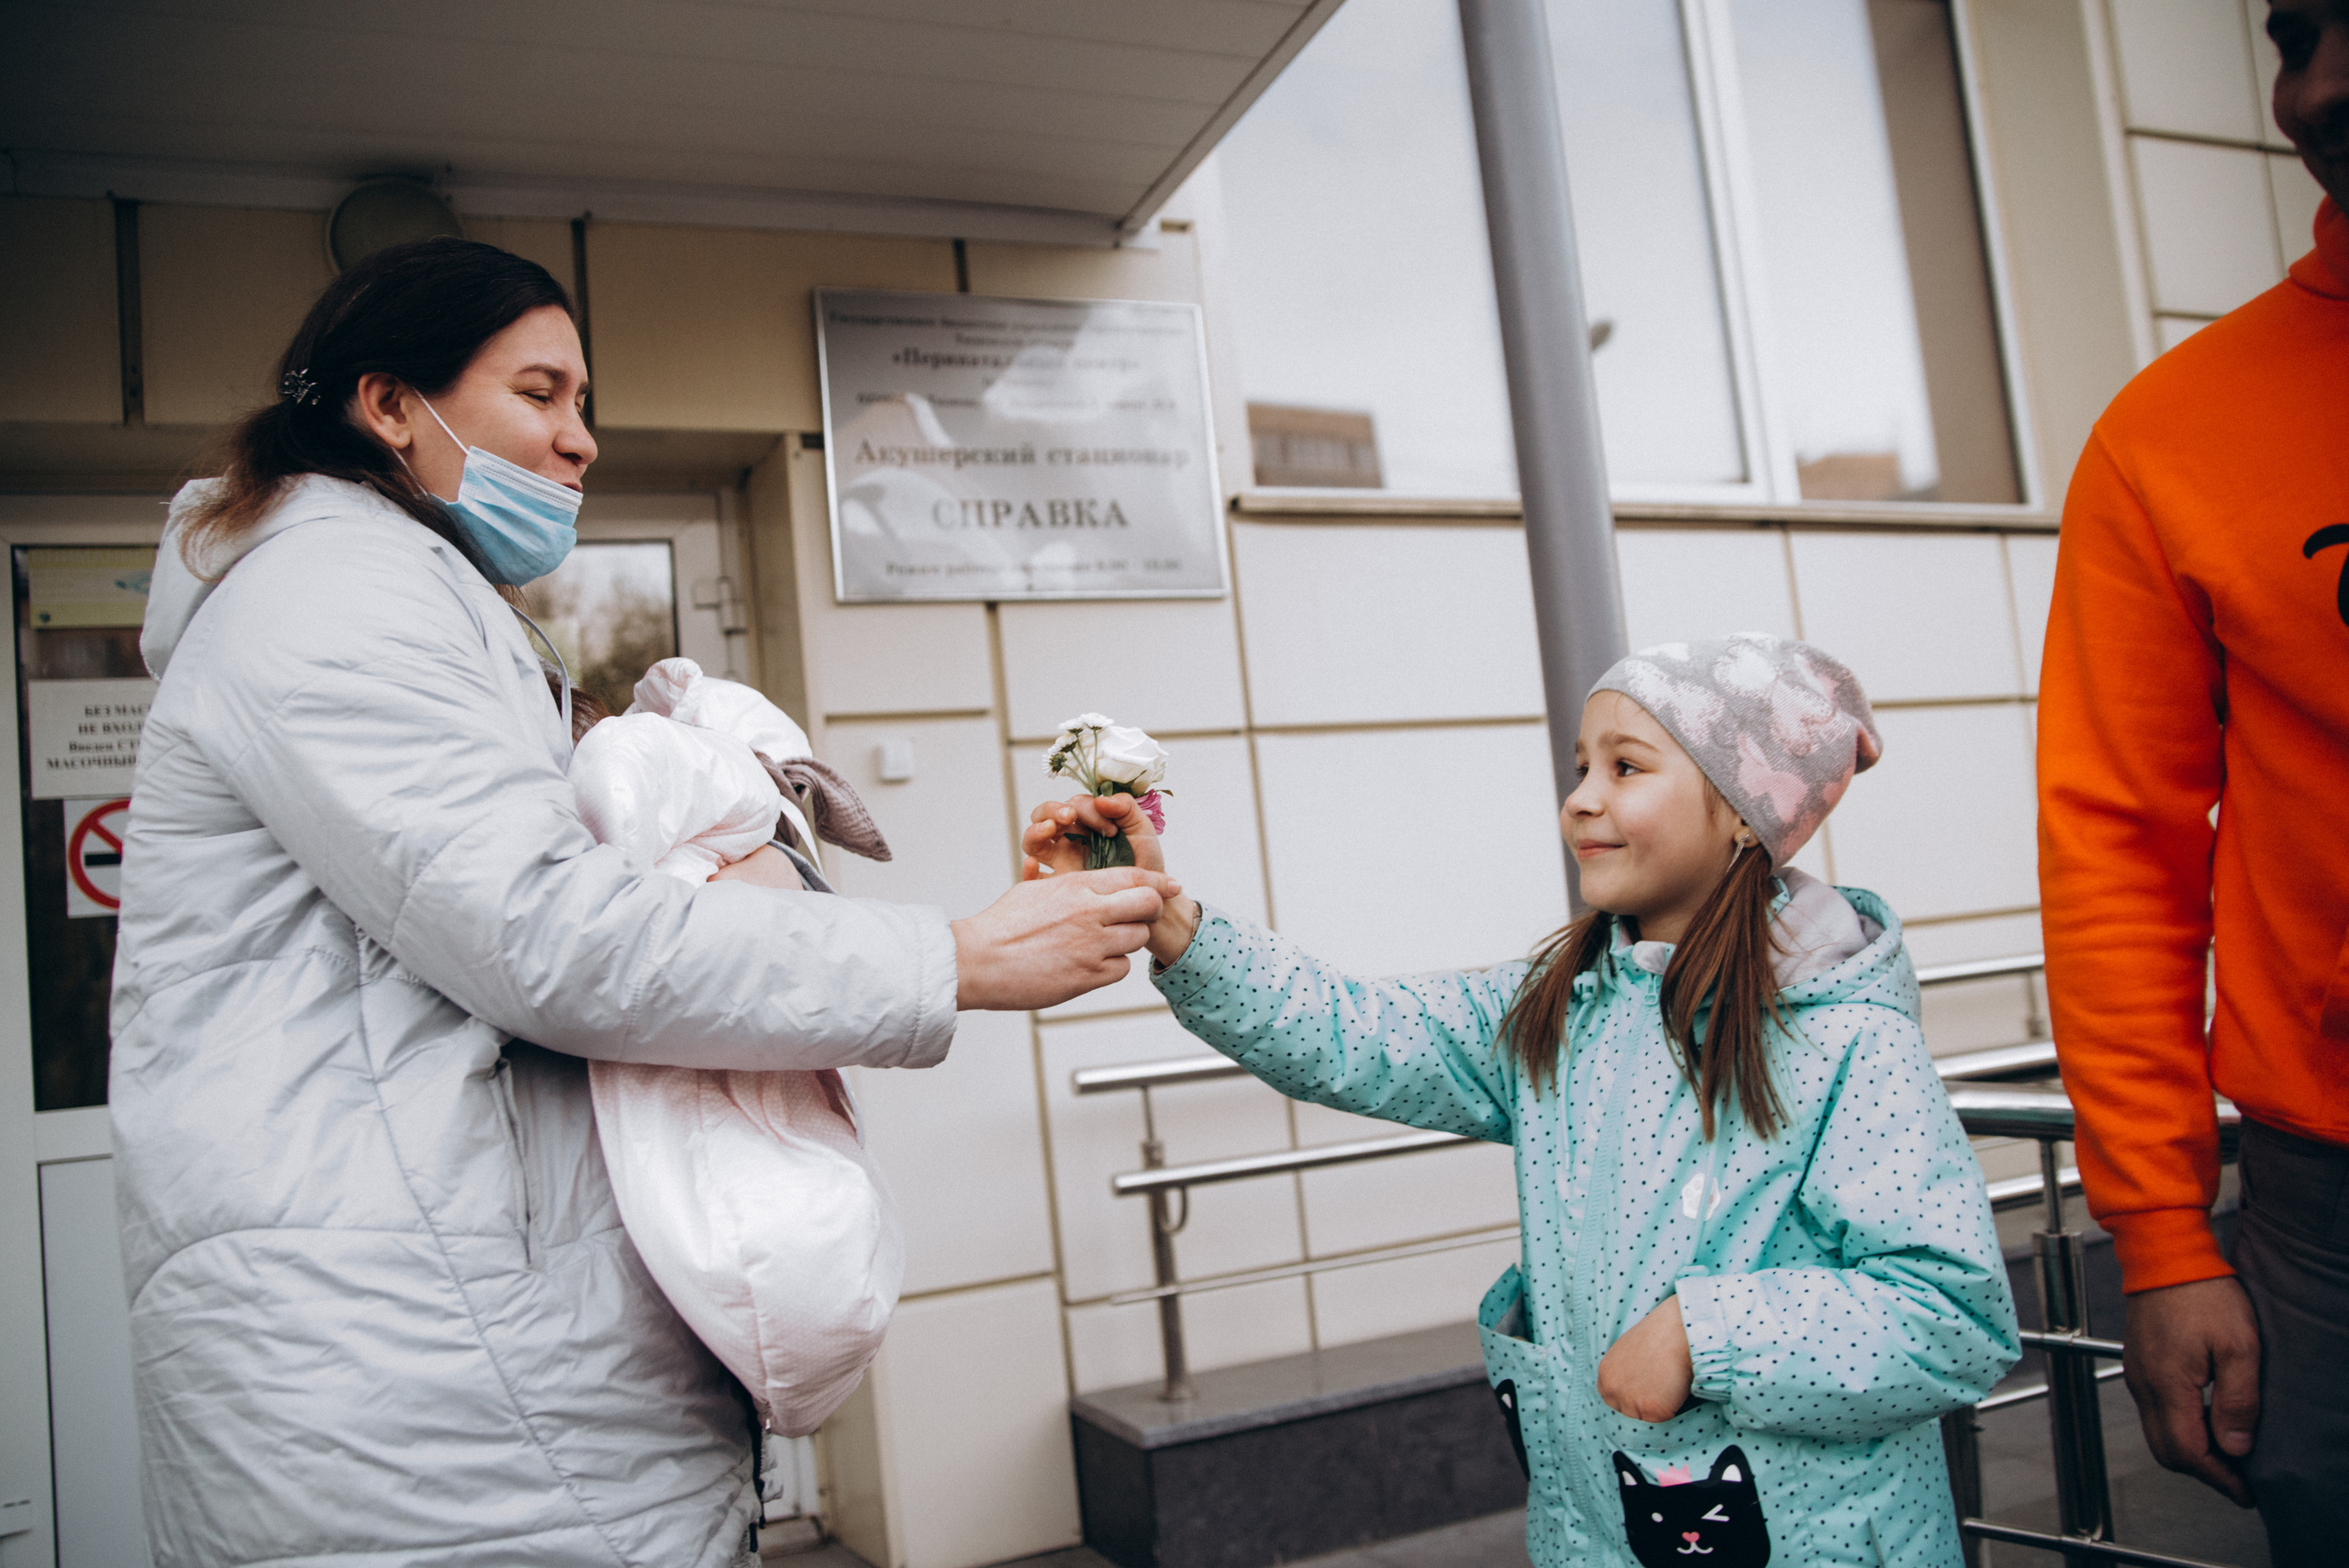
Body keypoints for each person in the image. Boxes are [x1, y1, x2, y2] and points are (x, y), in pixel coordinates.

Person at [112, 237, 1177, 1568]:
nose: (582, 441)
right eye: (542, 394)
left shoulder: (415, 596)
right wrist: (947, 959)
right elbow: (548, 934)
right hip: (432, 1405)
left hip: (471, 1384)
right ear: (388, 403)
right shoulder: (336, 594)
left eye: (585, 403)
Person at [1030, 636, 2020, 1567]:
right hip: (1593, 1531)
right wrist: (1173, 923)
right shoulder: (1562, 1009)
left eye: (1626, 768)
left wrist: (1704, 1333)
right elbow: (1348, 1033)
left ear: (1737, 810)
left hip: (1819, 1538)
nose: (1581, 802)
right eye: (1580, 768)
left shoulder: (1846, 1037)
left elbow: (1950, 1314)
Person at [2036, 3, 2349, 1550]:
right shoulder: (2175, 435)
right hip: (2333, 1221)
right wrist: (2159, 1235)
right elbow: (2117, 845)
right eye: (2296, 33)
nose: (2320, 85)